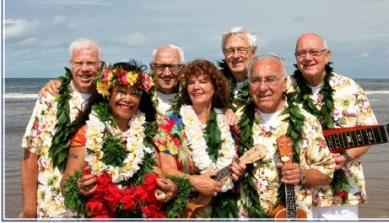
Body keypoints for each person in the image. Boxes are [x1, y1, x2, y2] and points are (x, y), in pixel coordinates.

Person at [60, 61, 181, 218]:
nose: (128, 99)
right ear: (108, 93)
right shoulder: (87, 133)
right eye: (121, 91)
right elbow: (65, 185)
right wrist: (79, 187)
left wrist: (168, 189)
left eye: (135, 93)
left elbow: (157, 174)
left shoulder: (148, 133)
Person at [288, 32, 378, 220]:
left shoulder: (350, 87)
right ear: (295, 58)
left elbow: (369, 132)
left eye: (314, 52)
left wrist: (347, 156)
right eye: (301, 53)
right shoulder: (284, 88)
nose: (307, 58)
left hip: (342, 192)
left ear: (327, 55)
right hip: (296, 194)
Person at [236, 54, 335, 219]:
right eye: (256, 80)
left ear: (285, 83)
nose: (262, 87)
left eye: (271, 79)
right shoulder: (236, 121)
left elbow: (326, 174)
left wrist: (301, 175)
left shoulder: (306, 122)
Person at [20, 38, 103, 218]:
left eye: (91, 63)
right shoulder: (50, 99)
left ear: (100, 66)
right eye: (79, 63)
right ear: (70, 65)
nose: (85, 68)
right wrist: (28, 207)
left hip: (95, 205)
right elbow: (30, 155)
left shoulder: (108, 99)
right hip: (51, 204)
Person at [156, 59, 243, 218]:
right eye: (191, 82)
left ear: (215, 87)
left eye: (203, 81)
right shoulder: (171, 123)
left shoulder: (228, 122)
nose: (196, 87)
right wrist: (195, 181)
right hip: (186, 209)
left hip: (225, 208)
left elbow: (235, 162)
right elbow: (167, 170)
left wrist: (238, 170)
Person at [218, 26, 257, 111]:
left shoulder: (263, 84)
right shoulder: (216, 86)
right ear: (224, 53)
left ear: (253, 51)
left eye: (241, 50)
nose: (236, 56)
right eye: (230, 50)